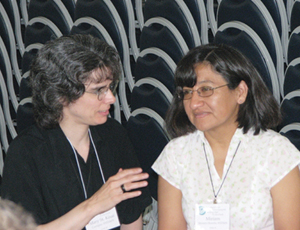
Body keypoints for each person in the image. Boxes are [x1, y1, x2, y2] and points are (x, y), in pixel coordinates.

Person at [1, 34, 152, 230]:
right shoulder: (26, 152)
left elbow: (131, 218)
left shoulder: (114, 134)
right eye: (99, 90)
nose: (111, 98)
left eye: (110, 87)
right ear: (62, 94)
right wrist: (94, 206)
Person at [152, 43, 300, 230]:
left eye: (206, 90)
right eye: (187, 93)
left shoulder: (275, 151)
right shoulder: (176, 154)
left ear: (240, 92)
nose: (194, 103)